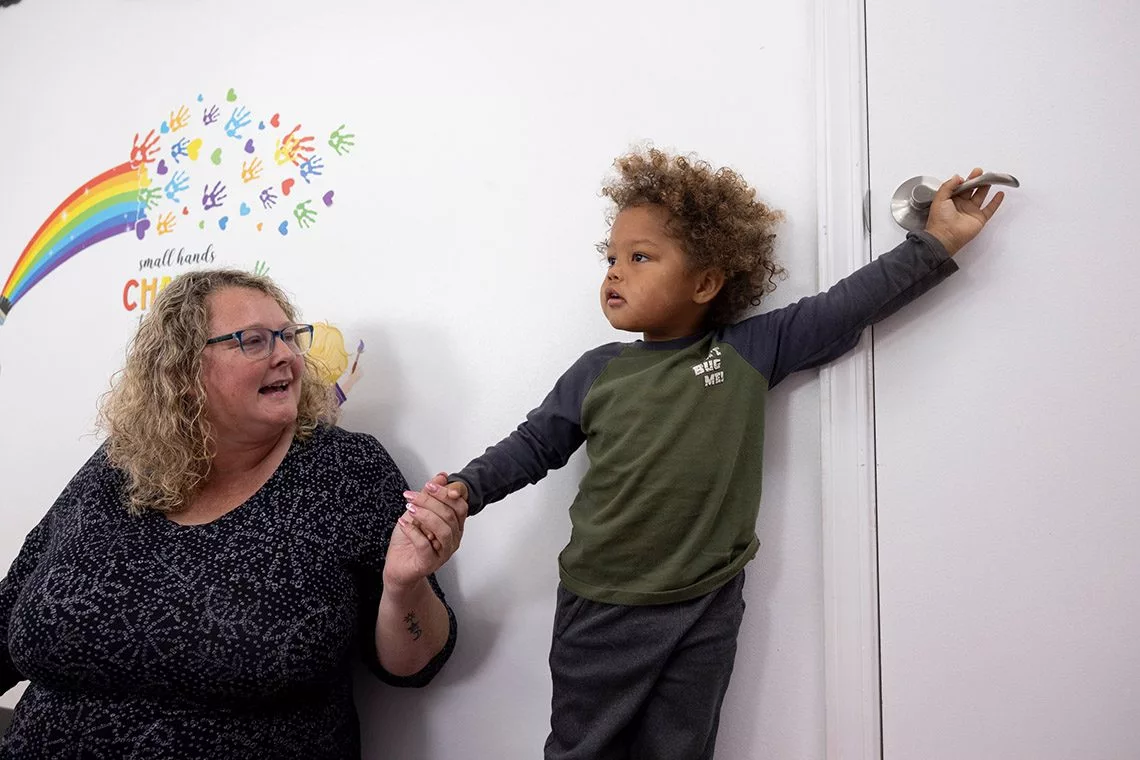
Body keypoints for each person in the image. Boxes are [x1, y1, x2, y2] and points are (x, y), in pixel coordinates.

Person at [432, 149, 1005, 759]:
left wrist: (937, 241)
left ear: (705, 282)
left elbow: (846, 306)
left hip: (706, 604)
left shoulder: (746, 352)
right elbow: (534, 444)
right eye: (612, 258)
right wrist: (468, 488)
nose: (615, 273)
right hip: (603, 605)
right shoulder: (598, 372)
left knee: (681, 750)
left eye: (640, 257)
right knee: (584, 748)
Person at [0, 269, 468, 759]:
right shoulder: (123, 461)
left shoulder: (346, 470)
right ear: (181, 369)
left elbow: (412, 665)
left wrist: (403, 587)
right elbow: (13, 609)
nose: (286, 354)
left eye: (289, 336)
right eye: (254, 341)